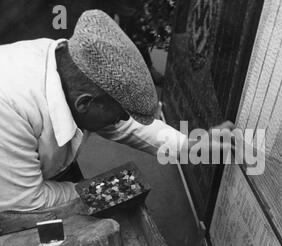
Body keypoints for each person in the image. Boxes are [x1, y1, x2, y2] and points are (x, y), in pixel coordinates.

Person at [0, 10, 234, 212]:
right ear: (85, 104)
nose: (122, 120)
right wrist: (105, 191)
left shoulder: (67, 63)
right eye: (121, 112)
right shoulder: (10, 108)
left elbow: (128, 125)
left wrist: (187, 147)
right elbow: (25, 203)